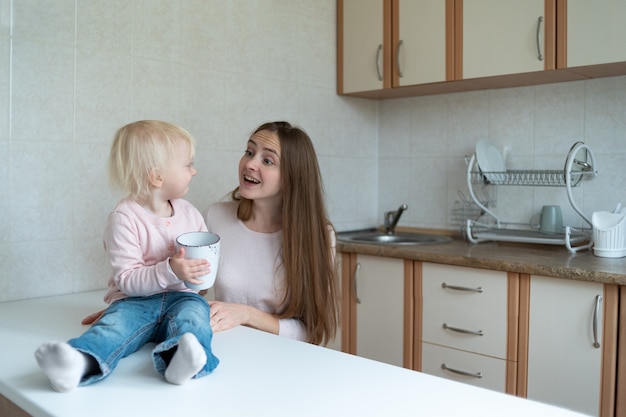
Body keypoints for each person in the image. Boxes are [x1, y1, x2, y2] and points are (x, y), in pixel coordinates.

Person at [35, 120, 219, 392]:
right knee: (113, 327)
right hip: (135, 301)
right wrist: (171, 269)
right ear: (158, 176)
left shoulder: (190, 213)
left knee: (194, 320)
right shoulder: (124, 218)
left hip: (183, 298)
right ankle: (78, 362)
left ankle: (178, 361)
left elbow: (201, 278)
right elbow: (128, 280)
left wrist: (200, 275)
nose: (194, 170)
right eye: (188, 164)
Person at [205, 121, 340, 346]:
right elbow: (191, 292)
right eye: (249, 152)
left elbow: (311, 331)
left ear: (292, 176)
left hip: (284, 360)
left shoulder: (319, 235)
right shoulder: (215, 217)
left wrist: (247, 315)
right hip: (225, 350)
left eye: (267, 160)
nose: (250, 163)